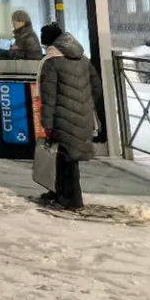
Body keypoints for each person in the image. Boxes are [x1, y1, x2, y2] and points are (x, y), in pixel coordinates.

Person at [37, 22, 103, 211]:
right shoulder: (82, 58)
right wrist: (82, 103)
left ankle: (71, 200)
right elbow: (96, 87)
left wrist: (47, 124)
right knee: (66, 157)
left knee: (67, 159)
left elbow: (49, 97)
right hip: (82, 114)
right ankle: (60, 193)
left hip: (62, 116)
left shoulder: (52, 62)